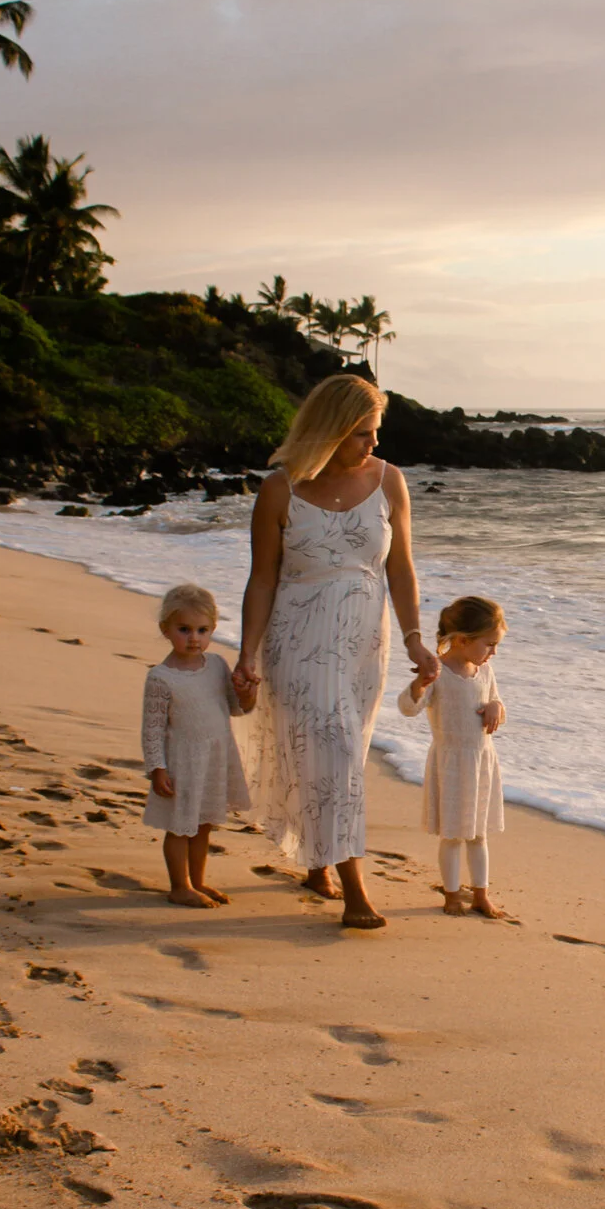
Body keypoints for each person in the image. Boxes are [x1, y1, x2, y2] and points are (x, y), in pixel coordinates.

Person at [234, 374, 438, 930]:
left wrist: (416, 637)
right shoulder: (280, 490)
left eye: (375, 432)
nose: (372, 444)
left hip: (366, 647)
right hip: (298, 642)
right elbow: (262, 581)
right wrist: (247, 654)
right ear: (329, 431)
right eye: (361, 434)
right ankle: (354, 888)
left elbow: (400, 567)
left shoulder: (390, 481)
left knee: (333, 754)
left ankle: (318, 859)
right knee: (337, 752)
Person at [140, 583, 252, 909]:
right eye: (184, 629)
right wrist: (157, 769)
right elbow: (152, 729)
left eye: (202, 630)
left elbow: (236, 707)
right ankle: (179, 886)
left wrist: (249, 691)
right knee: (180, 826)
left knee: (202, 825)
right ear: (166, 630)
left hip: (214, 760)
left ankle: (197, 881)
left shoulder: (217, 665)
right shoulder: (161, 678)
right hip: (181, 764)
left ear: (213, 630)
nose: (194, 638)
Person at [398, 595, 508, 918]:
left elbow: (498, 705)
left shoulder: (484, 672)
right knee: (452, 835)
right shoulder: (438, 673)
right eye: (489, 644)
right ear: (462, 640)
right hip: (451, 764)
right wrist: (419, 684)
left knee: (478, 834)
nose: (493, 653)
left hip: (482, 762)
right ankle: (450, 894)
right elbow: (408, 708)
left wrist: (496, 707)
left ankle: (481, 894)